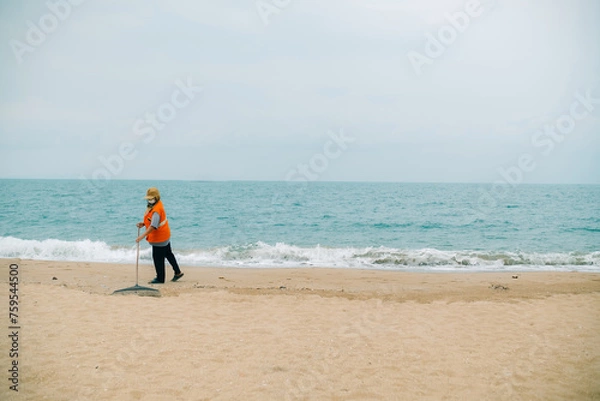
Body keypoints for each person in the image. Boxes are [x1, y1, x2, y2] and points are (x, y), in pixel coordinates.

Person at [136, 187, 184, 284]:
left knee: (158, 258)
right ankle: (178, 272)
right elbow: (152, 221)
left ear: (156, 197)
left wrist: (141, 237)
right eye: (148, 198)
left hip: (159, 239)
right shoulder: (157, 205)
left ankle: (160, 279)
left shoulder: (156, 210)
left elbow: (153, 226)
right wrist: (144, 224)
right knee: (168, 254)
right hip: (165, 235)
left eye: (151, 198)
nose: (149, 200)